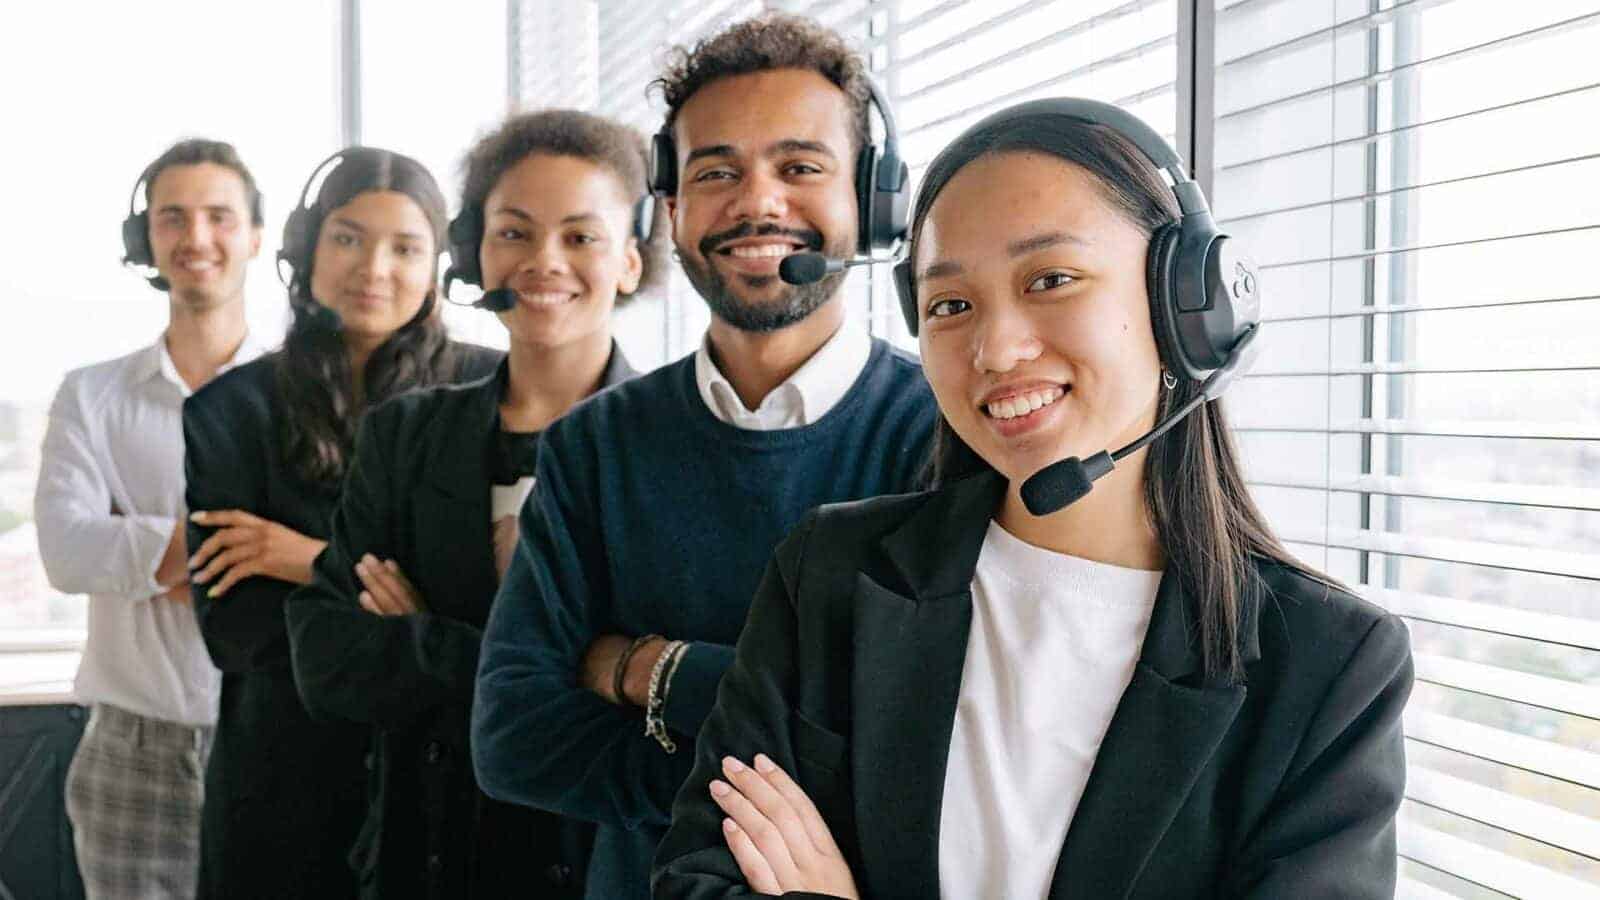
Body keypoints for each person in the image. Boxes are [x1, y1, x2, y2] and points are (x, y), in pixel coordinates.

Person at [652, 99, 1414, 900]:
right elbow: (696, 883)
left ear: (1187, 305)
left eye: (1050, 279)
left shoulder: (1328, 666)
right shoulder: (833, 574)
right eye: (950, 305)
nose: (995, 348)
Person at [472, 14, 938, 900]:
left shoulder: (942, 437)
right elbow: (514, 738)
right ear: (673, 209)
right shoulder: (593, 445)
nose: (758, 202)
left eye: (800, 167)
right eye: (716, 170)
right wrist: (788, 781)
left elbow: (921, 746)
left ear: (870, 200)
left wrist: (640, 670)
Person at [283, 109, 664, 900]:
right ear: (474, 251)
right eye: (514, 232)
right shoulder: (406, 435)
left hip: (604, 863)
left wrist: (425, 636)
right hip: (425, 855)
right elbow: (326, 658)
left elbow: (675, 694)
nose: (543, 261)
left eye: (581, 236)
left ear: (630, 259)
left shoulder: (675, 445)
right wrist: (573, 667)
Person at [182, 146, 500, 899]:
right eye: (348, 238)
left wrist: (305, 560)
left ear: (439, 265)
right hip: (281, 786)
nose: (374, 267)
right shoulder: (229, 412)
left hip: (449, 778)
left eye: (405, 247)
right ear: (306, 250)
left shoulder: (495, 390)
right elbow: (240, 632)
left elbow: (499, 618)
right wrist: (415, 612)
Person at [34, 138, 267, 899]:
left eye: (219, 216)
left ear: (256, 237)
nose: (196, 238)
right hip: (131, 744)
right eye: (173, 217)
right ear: (148, 239)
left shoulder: (299, 393)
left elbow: (326, 558)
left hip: (275, 734)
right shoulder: (90, 395)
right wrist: (233, 552)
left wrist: (143, 555)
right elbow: (68, 554)